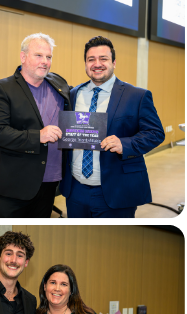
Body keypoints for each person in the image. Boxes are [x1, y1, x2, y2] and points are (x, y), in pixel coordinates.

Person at [60, 37, 165, 218]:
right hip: (75, 190)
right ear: (85, 64)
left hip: (117, 189)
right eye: (91, 59)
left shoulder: (137, 96)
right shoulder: (72, 94)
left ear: (114, 63)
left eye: (103, 59)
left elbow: (156, 133)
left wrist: (124, 144)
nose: (97, 64)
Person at [0, 33, 72, 218]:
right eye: (38, 55)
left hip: (50, 183)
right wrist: (37, 136)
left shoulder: (59, 84)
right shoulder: (2, 88)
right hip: (14, 186)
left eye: (49, 57)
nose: (45, 62)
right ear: (23, 57)